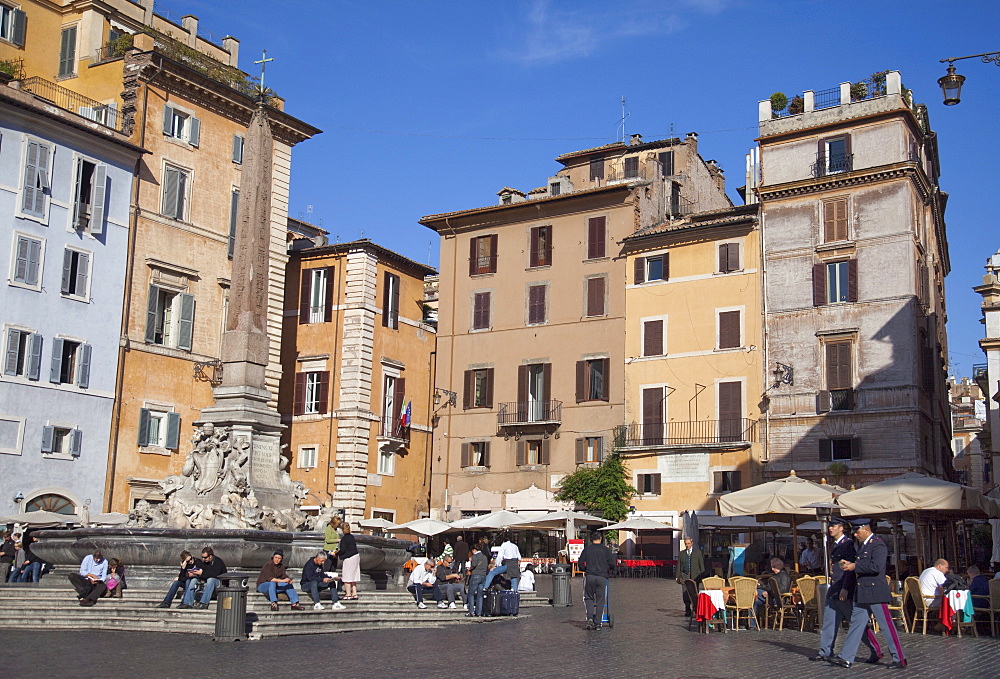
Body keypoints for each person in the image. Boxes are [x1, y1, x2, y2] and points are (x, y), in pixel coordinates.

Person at [831, 519, 906, 669]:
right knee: (856, 625)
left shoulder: (877, 544)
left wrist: (855, 566)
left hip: (875, 592)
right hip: (863, 592)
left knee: (886, 626)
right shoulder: (863, 546)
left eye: (857, 532)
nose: (855, 535)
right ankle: (846, 657)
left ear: (865, 529)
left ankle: (899, 658)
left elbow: (876, 566)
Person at [812, 518, 882, 664]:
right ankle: (825, 651)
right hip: (834, 587)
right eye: (829, 526)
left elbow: (851, 569)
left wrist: (845, 588)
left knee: (856, 624)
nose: (830, 529)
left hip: (843, 589)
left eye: (834, 526)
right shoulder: (835, 544)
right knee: (829, 621)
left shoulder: (848, 544)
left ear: (841, 528)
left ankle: (875, 649)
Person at [578, 531, 616, 631]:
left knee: (589, 598)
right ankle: (598, 623)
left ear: (591, 539)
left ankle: (590, 618)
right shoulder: (606, 550)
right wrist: (610, 571)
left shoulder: (587, 549)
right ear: (601, 538)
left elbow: (580, 563)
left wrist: (586, 570)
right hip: (602, 577)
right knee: (600, 600)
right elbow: (612, 564)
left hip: (590, 576)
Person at [180, 545, 227, 610]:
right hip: (207, 583)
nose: (203, 559)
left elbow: (215, 575)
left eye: (205, 557)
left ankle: (204, 603)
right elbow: (204, 575)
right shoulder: (205, 562)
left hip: (220, 584)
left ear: (210, 556)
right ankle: (187, 602)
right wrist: (195, 574)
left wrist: (202, 573)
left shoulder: (218, 562)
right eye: (202, 557)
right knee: (194, 580)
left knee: (211, 579)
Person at [676, 537, 705, 616]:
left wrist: (702, 576)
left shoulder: (697, 553)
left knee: (695, 592)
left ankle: (695, 608)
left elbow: (701, 565)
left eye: (688, 544)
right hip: (685, 575)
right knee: (685, 592)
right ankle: (687, 608)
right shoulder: (682, 553)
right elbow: (679, 565)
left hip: (695, 575)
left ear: (692, 543)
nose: (687, 545)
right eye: (686, 544)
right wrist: (678, 576)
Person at [337, 522, 360, 600]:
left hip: (349, 558)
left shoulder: (344, 538)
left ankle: (348, 594)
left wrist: (336, 554)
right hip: (356, 556)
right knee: (353, 576)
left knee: (347, 576)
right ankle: (354, 593)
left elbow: (343, 550)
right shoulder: (352, 537)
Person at [465, 542, 488, 617]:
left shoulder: (475, 556)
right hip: (483, 576)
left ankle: (471, 611)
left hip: (476, 576)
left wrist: (469, 567)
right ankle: (479, 612)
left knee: (471, 593)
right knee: (480, 595)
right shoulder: (484, 557)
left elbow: (474, 565)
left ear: (474, 550)